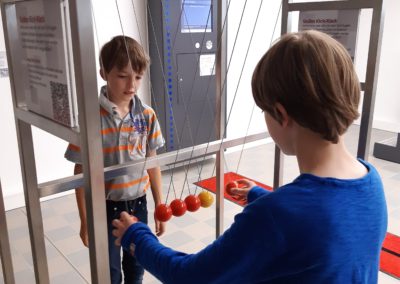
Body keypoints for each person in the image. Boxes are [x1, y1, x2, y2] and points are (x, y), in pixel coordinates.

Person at [112, 30, 388, 283]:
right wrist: (259, 195)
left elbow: (191, 276)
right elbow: (322, 219)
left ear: (281, 114)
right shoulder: (371, 182)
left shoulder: (275, 215)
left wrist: (136, 236)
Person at [65, 35, 166, 284]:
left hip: (139, 203)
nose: (132, 84)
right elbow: (80, 173)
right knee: (109, 271)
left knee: (136, 265)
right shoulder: (90, 118)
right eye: (123, 75)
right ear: (103, 73)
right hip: (105, 206)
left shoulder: (147, 115)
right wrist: (85, 218)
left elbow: (152, 163)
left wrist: (160, 206)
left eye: (138, 77)